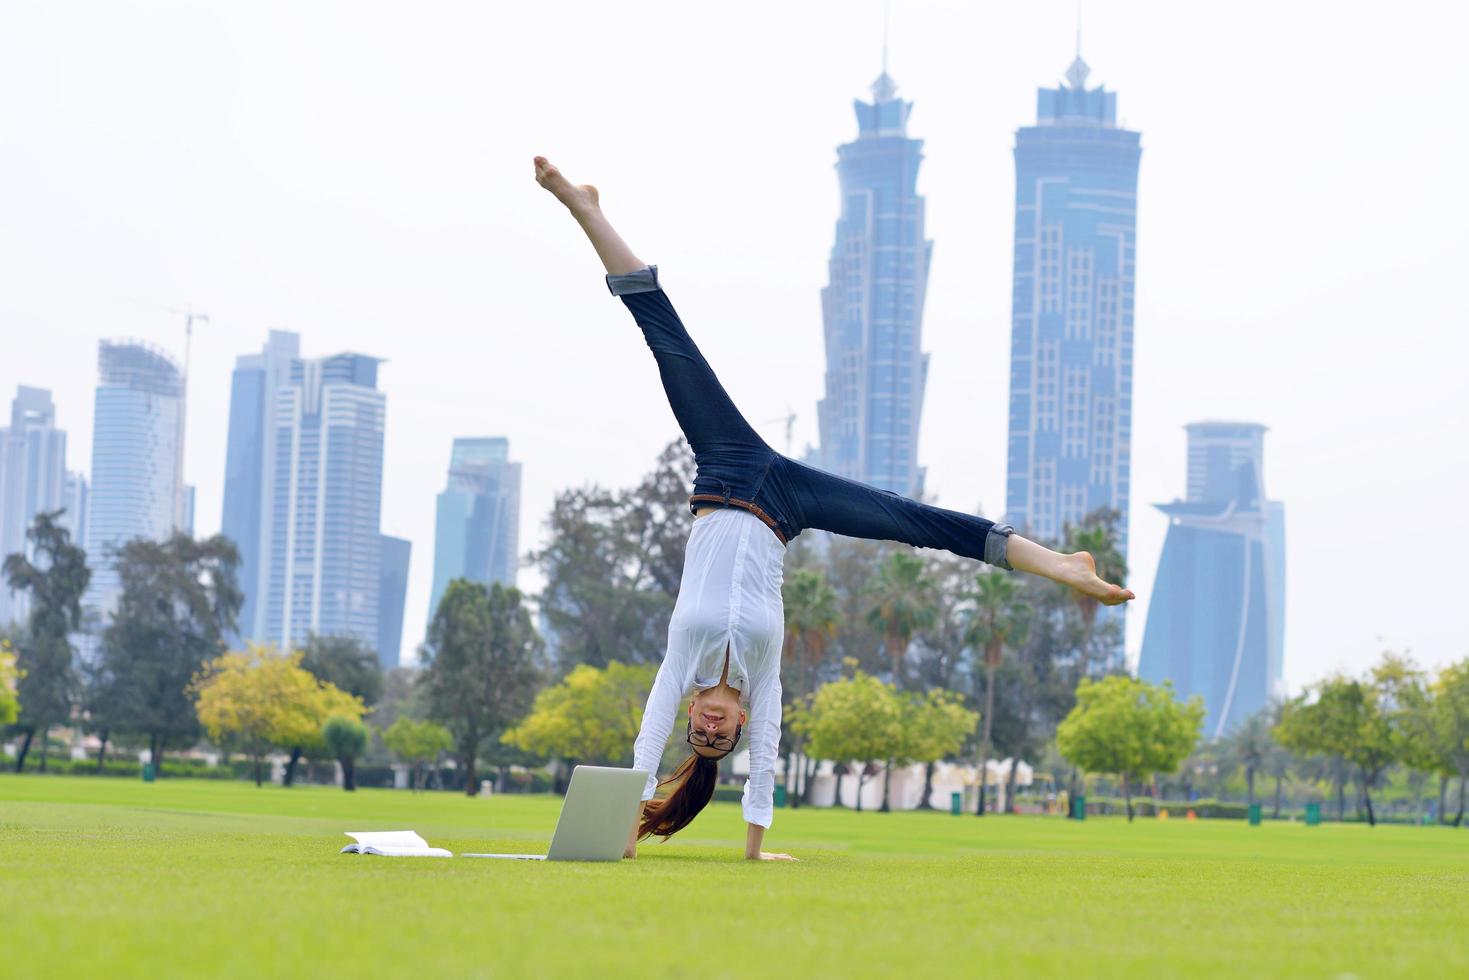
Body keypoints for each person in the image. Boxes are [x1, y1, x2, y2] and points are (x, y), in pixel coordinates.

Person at [532, 156, 1133, 861]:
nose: (713, 729)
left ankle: (584, 208)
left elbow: (645, 736)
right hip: (785, 503)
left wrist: (623, 831)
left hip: (725, 471)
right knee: (918, 524)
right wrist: (754, 852)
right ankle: (1064, 567)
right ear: (736, 723)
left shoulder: (681, 662)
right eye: (721, 738)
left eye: (702, 731)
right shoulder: (760, 680)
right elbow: (771, 753)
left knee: (666, 338)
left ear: (692, 714)